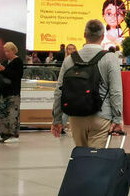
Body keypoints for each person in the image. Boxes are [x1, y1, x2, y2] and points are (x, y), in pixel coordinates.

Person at [51, 20, 123, 148]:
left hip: (76, 117)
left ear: (84, 35)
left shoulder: (70, 60)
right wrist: (117, 119)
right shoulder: (110, 58)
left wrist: (57, 119)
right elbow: (115, 91)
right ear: (102, 37)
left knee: (82, 156)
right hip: (101, 117)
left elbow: (59, 91)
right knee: (96, 157)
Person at [0, 42, 24, 143]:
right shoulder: (4, 62)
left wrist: (4, 69)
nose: (6, 53)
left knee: (12, 114)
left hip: (13, 92)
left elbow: (17, 76)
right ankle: (3, 133)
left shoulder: (18, 61)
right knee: (2, 114)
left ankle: (13, 135)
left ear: (13, 50)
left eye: (8, 51)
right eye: (5, 51)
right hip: (2, 92)